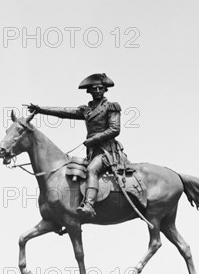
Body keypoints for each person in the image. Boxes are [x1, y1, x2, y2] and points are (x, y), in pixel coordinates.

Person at [28, 73, 127, 219]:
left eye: (101, 88)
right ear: (89, 91)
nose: (98, 91)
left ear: (105, 90)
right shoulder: (87, 110)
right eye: (95, 89)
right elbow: (64, 113)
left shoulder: (111, 107)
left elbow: (114, 129)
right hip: (92, 152)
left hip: (107, 151)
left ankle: (89, 205)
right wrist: (40, 109)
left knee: (92, 170)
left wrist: (93, 139)